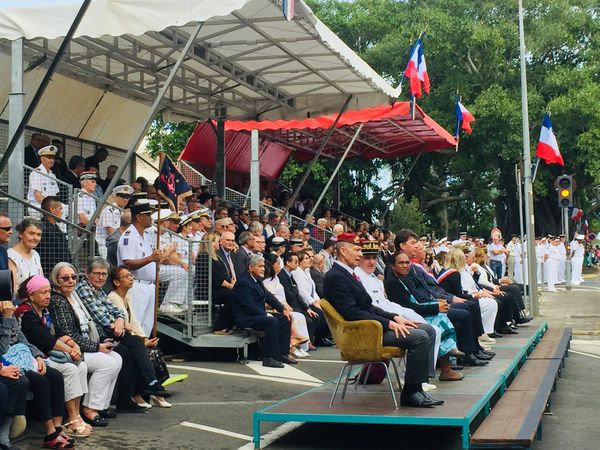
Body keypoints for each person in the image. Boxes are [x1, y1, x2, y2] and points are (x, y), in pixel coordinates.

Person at [323, 233, 439, 408]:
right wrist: (388, 324)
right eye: (357, 250)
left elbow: (368, 307)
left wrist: (394, 317)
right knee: (420, 336)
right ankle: (410, 393)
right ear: (343, 251)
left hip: (372, 328)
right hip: (364, 333)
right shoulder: (336, 276)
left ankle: (417, 388)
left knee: (428, 330)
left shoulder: (348, 274)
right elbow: (352, 312)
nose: (360, 254)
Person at [76, 257, 169, 411]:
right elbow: (101, 317)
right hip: (100, 335)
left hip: (113, 331)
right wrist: (120, 323)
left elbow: (117, 312)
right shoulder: (85, 289)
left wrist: (120, 320)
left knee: (129, 350)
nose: (101, 277)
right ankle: (150, 383)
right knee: (133, 344)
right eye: (97, 273)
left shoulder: (98, 291)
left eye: (104, 274)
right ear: (87, 273)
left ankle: (129, 398)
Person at [15, 275, 91, 438]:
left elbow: (58, 332)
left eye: (49, 292)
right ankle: (70, 418)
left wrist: (73, 344)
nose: (48, 296)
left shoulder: (45, 310)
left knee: (82, 365)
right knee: (69, 369)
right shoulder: (25, 313)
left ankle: (77, 414)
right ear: (31, 295)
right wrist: (69, 350)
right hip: (34, 356)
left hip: (48, 354)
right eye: (43, 293)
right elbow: (45, 339)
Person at [48, 262, 122, 427]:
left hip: (89, 342)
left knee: (117, 358)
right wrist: (97, 347)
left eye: (73, 277)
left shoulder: (74, 296)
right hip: (73, 349)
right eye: (65, 278)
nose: (71, 281)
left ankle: (101, 405)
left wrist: (102, 340)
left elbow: (91, 322)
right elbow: (69, 334)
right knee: (108, 363)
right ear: (56, 280)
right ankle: (89, 408)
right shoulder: (57, 301)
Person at [0, 298, 73, 449]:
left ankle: (57, 429)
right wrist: (7, 319)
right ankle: (50, 432)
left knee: (56, 377)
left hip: (23, 358)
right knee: (39, 382)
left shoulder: (8, 314)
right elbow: (3, 350)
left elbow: (23, 340)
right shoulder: (8, 315)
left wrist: (38, 356)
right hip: (9, 361)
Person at [384, 251, 467, 381]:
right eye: (401, 263)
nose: (405, 265)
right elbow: (409, 307)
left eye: (407, 262)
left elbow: (418, 300)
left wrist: (435, 304)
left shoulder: (406, 278)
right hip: (404, 318)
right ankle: (446, 362)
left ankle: (448, 360)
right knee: (437, 322)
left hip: (414, 312)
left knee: (442, 316)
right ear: (393, 266)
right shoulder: (392, 283)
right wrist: (434, 307)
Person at [107, 265, 171, 408]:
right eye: (127, 276)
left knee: (154, 350)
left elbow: (133, 321)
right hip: (118, 337)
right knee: (139, 350)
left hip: (128, 337)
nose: (131, 278)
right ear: (117, 282)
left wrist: (144, 338)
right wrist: (142, 341)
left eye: (131, 275)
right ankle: (150, 386)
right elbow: (126, 325)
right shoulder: (113, 297)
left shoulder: (126, 297)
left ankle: (151, 389)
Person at [232, 254, 294, 368]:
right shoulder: (243, 283)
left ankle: (282, 354)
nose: (263, 269)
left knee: (285, 318)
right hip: (246, 317)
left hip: (258, 315)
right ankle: (268, 357)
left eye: (263, 266)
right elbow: (249, 306)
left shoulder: (257, 279)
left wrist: (282, 309)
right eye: (260, 266)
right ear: (251, 268)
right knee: (271, 322)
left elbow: (268, 296)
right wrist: (267, 314)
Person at [118, 200, 162, 336]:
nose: (151, 217)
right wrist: (151, 259)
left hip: (149, 285)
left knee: (147, 326)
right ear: (138, 217)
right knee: (136, 324)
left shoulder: (147, 236)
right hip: (136, 284)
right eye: (148, 214)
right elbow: (128, 263)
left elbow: (151, 258)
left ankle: (145, 352)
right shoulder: (129, 236)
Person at [262, 253, 310, 358]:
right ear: (271, 265)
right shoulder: (265, 281)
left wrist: (286, 305)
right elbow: (271, 298)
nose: (280, 266)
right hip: (274, 308)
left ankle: (299, 345)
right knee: (291, 316)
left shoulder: (276, 278)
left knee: (298, 315)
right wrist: (283, 307)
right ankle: (292, 345)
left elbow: (282, 296)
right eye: (278, 263)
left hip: (282, 306)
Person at [96, 185, 133, 259]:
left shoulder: (123, 211)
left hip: (118, 244)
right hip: (106, 246)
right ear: (115, 196)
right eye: (122, 197)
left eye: (127, 197)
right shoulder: (109, 210)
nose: (125, 200)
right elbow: (111, 233)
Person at [38, 196, 72, 275]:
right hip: (51, 274)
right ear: (52, 210)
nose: (62, 212)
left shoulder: (56, 229)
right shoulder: (42, 229)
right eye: (60, 209)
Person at [211, 232, 237, 334]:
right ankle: (221, 326)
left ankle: (234, 324)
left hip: (229, 285)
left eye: (232, 240)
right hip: (216, 288)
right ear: (220, 242)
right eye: (228, 240)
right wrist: (231, 286)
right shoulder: (216, 254)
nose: (230, 243)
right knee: (233, 295)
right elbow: (217, 277)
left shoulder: (233, 254)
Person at [8, 218, 44, 289]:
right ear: (21, 234)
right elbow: (13, 289)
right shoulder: (11, 256)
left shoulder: (35, 254)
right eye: (31, 233)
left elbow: (41, 281)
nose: (35, 238)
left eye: (38, 234)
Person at [26, 145, 61, 218]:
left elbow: (56, 195)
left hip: (50, 207)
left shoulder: (52, 175)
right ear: (42, 159)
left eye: (53, 158)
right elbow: (38, 197)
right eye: (49, 158)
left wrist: (57, 206)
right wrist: (52, 207)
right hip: (37, 207)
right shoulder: (37, 173)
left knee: (69, 209)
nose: (52, 160)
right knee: (60, 213)